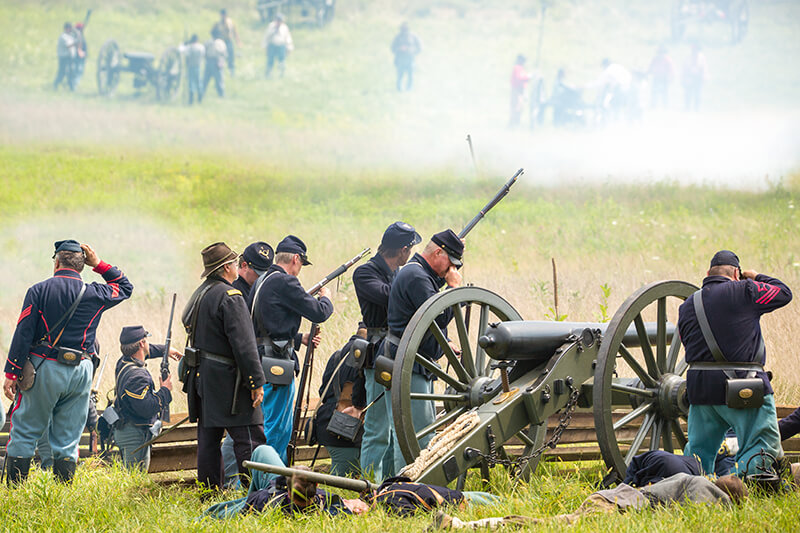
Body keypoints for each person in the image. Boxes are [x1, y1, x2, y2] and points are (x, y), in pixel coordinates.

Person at [3, 240, 133, 484]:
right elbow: (125, 287)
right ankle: (61, 493)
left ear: (56, 262)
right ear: (82, 265)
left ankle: (13, 493)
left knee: (25, 431)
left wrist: (12, 372)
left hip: (44, 367)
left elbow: (23, 332)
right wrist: (100, 264)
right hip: (81, 371)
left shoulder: (38, 290)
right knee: (68, 438)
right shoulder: (96, 293)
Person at [678, 250, 791, 478]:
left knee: (698, 453)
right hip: (743, 385)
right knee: (761, 444)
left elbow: (684, 339)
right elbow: (783, 293)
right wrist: (756, 276)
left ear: (708, 273)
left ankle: (694, 490)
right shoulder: (745, 290)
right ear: (737, 273)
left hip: (700, 390)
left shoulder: (689, 304)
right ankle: (746, 489)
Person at [202, 444, 494, 519]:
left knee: (262, 453)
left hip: (265, 492)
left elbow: (217, 513)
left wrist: (286, 480)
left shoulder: (267, 501)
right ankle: (491, 500)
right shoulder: (328, 507)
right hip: (275, 492)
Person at [181, 242, 266, 490]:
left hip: (204, 380)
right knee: (250, 439)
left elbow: (186, 322)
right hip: (229, 382)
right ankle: (256, 494)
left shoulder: (201, 293)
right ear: (227, 267)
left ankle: (210, 493)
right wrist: (256, 382)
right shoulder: (231, 297)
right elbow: (245, 345)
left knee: (208, 441)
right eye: (234, 262)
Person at [250, 235, 333, 464]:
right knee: (277, 429)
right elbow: (318, 312)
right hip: (276, 363)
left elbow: (266, 326)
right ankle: (272, 483)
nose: (299, 271)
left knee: (265, 425)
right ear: (296, 258)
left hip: (262, 359)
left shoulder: (263, 279)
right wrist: (327, 299)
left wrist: (298, 338)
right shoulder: (285, 281)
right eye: (300, 265)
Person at [386, 230, 464, 474]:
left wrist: (445, 342)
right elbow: (437, 316)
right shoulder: (417, 276)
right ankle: (408, 488)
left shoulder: (417, 273)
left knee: (411, 431)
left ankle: (397, 485)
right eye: (450, 263)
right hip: (411, 363)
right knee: (416, 434)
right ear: (438, 252)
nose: (450, 269)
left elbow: (421, 317)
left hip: (413, 358)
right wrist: (453, 290)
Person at [433, 473, 747, 530]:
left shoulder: (691, 480)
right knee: (541, 526)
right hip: (617, 508)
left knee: (548, 524)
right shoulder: (706, 489)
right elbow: (700, 519)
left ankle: (461, 524)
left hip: (611, 498)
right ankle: (461, 526)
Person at [354, 221, 421, 481]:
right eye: (410, 249)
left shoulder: (399, 274)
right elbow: (391, 297)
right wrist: (415, 279)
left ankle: (396, 483)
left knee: (398, 428)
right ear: (403, 250)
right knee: (377, 428)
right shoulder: (364, 272)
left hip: (400, 351)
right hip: (379, 353)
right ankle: (370, 486)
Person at [111, 326, 181, 470]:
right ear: (142, 344)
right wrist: (165, 391)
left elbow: (148, 351)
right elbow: (147, 408)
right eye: (146, 341)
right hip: (134, 435)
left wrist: (166, 351)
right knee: (135, 480)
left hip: (125, 428)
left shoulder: (124, 361)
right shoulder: (137, 377)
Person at [311, 331, 368, 477]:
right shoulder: (366, 354)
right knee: (344, 483)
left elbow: (323, 391)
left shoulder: (336, 356)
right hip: (347, 430)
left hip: (327, 423)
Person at [391, 23, 421, 91]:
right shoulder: (397, 37)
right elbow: (392, 48)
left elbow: (420, 47)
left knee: (411, 75)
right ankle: (399, 89)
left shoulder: (413, 36)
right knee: (400, 75)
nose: (404, 31)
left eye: (405, 29)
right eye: (403, 29)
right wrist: (399, 49)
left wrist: (412, 51)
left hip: (410, 59)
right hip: (400, 59)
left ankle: (409, 89)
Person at [263, 14, 293, 79]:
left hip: (281, 45)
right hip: (272, 45)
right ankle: (268, 74)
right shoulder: (271, 26)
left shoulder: (284, 27)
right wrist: (265, 46)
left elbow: (287, 37)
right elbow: (266, 36)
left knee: (282, 60)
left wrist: (289, 47)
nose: (279, 22)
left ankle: (281, 74)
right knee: (270, 60)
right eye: (278, 20)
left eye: (280, 21)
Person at [212, 8, 240, 75]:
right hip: (221, 42)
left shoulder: (230, 22)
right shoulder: (218, 23)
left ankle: (232, 71)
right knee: (221, 57)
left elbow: (235, 32)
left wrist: (238, 41)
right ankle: (221, 72)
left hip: (229, 41)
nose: (223, 16)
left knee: (231, 56)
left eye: (224, 15)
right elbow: (213, 32)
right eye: (222, 15)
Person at [682, 42, 708, 112]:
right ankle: (687, 108)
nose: (693, 50)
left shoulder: (702, 57)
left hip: (698, 77)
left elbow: (704, 67)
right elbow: (685, 67)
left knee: (698, 93)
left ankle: (697, 108)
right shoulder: (688, 56)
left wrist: (704, 76)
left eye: (695, 48)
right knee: (688, 93)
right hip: (689, 76)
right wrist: (684, 77)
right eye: (692, 49)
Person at [180, 34, 205, 105]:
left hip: (190, 67)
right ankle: (200, 97)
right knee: (199, 82)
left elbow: (182, 51)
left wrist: (184, 44)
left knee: (191, 83)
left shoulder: (190, 47)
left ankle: (191, 99)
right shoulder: (201, 47)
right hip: (198, 66)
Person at [648, 44, 675, 109]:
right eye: (659, 52)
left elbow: (671, 70)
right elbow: (651, 68)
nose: (660, 54)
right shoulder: (655, 59)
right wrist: (648, 73)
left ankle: (665, 106)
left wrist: (671, 78)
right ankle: (653, 105)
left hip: (664, 78)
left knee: (665, 93)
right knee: (654, 92)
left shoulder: (668, 59)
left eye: (662, 52)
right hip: (656, 77)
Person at [203, 31, 227, 99]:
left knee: (218, 79)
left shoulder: (210, 42)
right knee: (209, 79)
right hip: (213, 61)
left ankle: (221, 94)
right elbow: (224, 53)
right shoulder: (220, 42)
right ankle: (221, 94)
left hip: (215, 61)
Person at [509, 54, 531, 127]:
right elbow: (519, 78)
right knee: (516, 107)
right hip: (517, 90)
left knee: (519, 107)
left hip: (520, 90)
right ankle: (513, 124)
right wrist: (527, 77)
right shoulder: (517, 68)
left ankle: (515, 123)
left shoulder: (520, 68)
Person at [54, 22, 77, 91]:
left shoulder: (70, 36)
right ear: (66, 29)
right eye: (70, 28)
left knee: (70, 72)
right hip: (63, 57)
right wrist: (76, 42)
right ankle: (55, 84)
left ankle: (71, 87)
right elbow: (68, 45)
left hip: (69, 57)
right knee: (62, 72)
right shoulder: (63, 37)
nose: (70, 30)